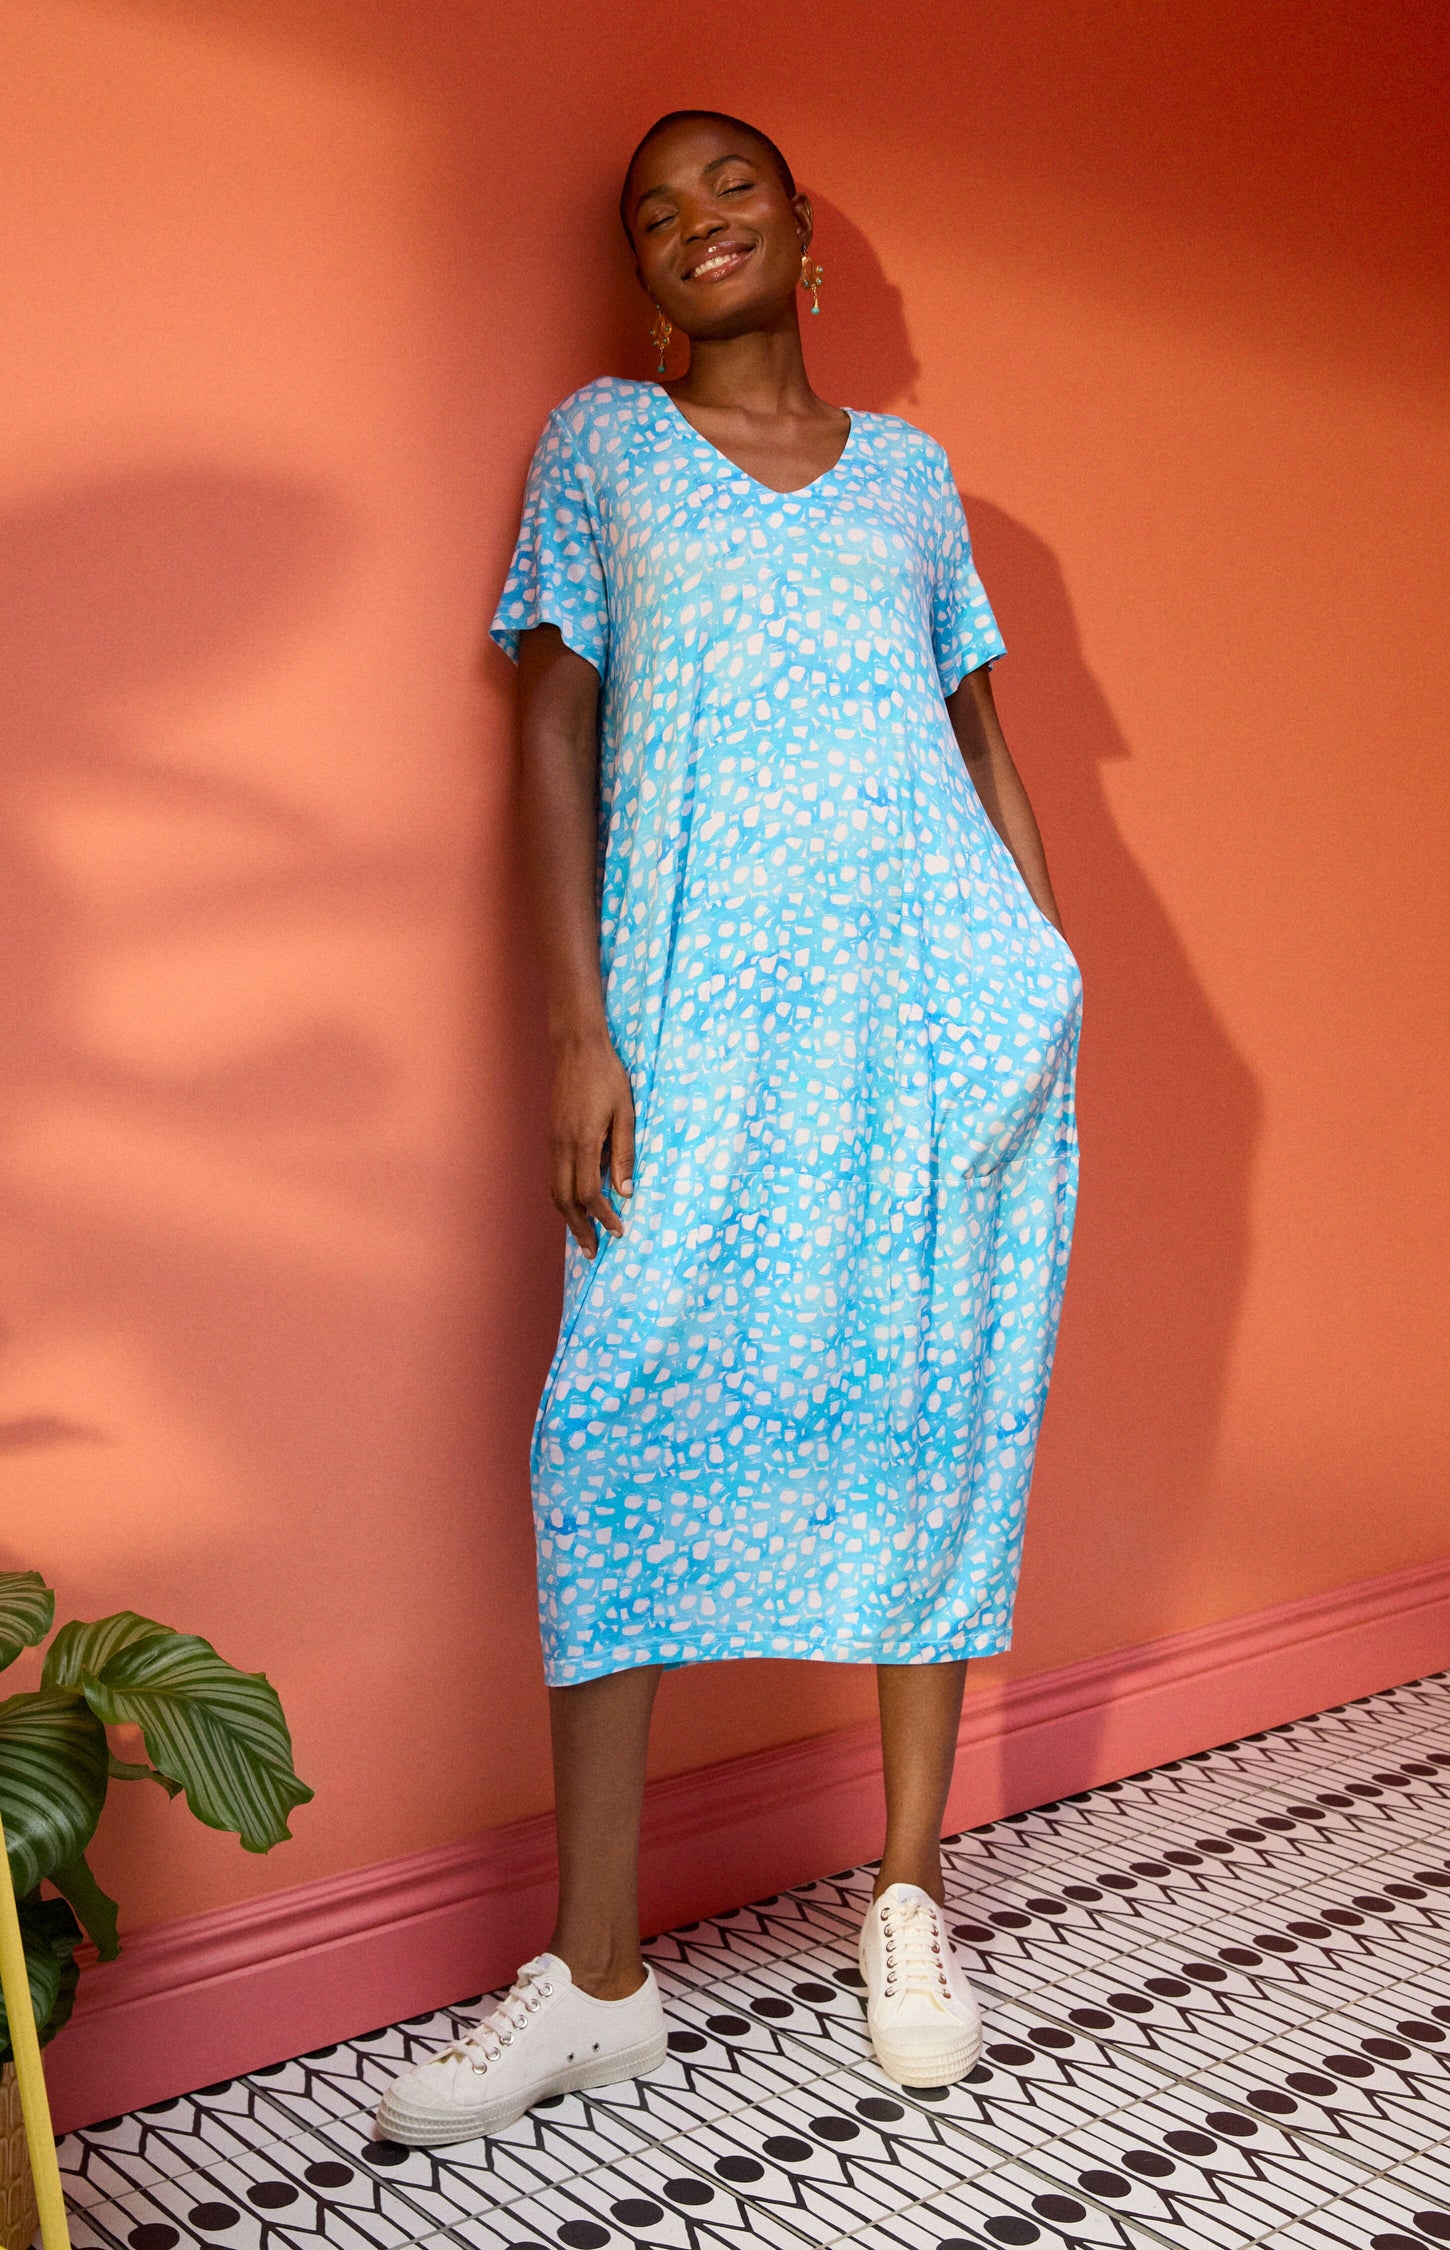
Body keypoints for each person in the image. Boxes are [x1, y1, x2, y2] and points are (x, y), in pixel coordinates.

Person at [378, 109, 1082, 2146]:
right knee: (611, 1427)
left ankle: (908, 1891)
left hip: (929, 1025)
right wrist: (579, 1027)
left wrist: (1046, 971)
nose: (695, 224)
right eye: (654, 214)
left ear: (809, 240)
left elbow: (980, 739)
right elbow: (548, 726)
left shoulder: (919, 484)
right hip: (689, 1036)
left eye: (731, 192)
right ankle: (596, 1977)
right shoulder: (599, 450)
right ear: (640, 275)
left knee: (924, 1412)